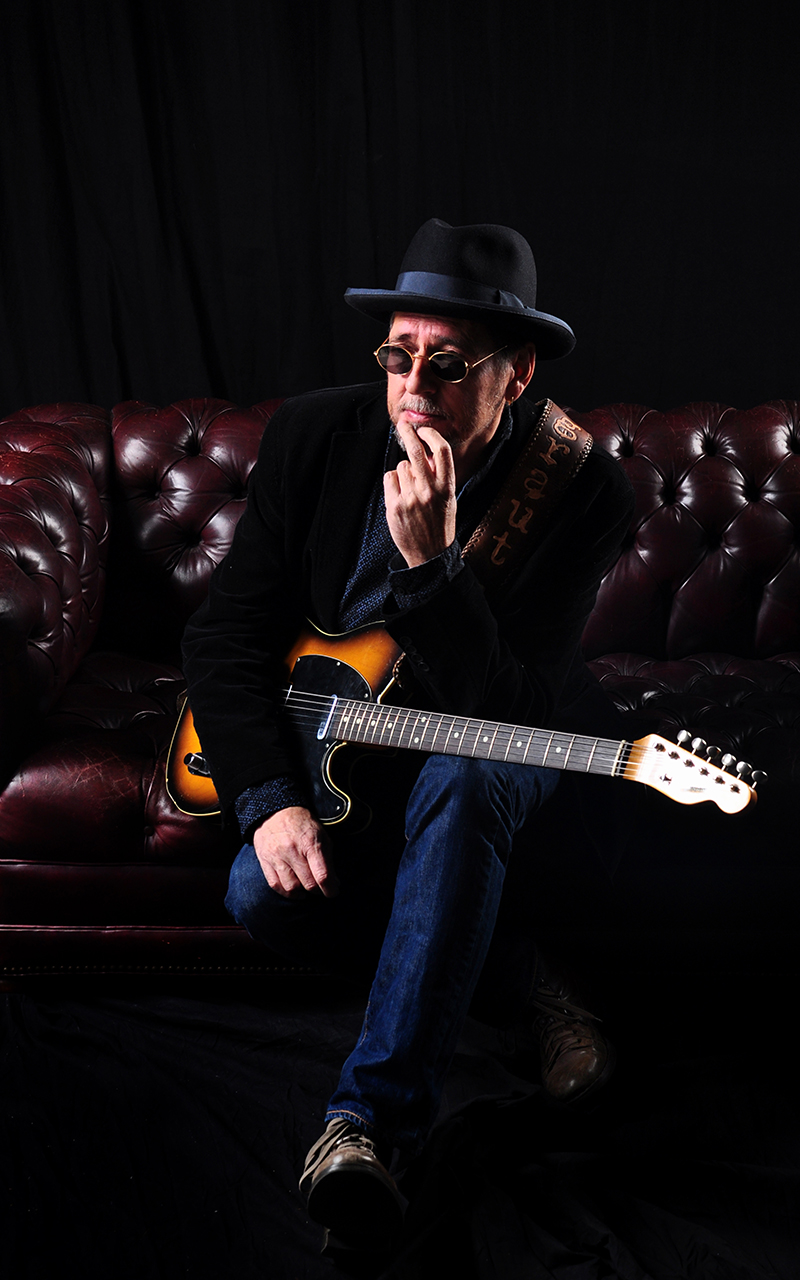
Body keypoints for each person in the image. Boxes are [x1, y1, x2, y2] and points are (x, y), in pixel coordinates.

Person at [181, 218, 635, 1249]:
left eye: (449, 363)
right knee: (257, 893)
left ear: (516, 374)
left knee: (467, 775)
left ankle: (366, 1129)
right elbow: (225, 636)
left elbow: (508, 710)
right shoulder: (313, 436)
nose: (414, 387)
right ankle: (525, 980)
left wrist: (433, 570)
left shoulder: (578, 490)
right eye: (399, 355)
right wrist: (270, 800)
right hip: (350, 747)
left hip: (504, 740)